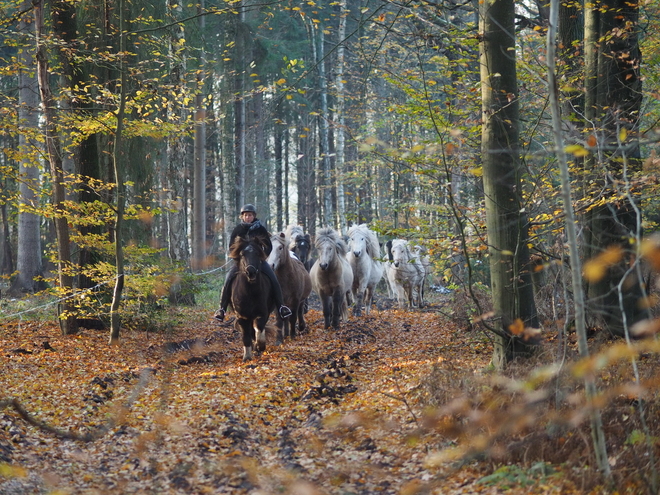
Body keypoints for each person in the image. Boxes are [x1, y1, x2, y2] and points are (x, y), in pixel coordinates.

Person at [214, 204, 292, 321]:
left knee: (273, 279)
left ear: (253, 216)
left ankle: (281, 307)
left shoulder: (260, 229)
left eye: (250, 215)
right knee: (228, 279)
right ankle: (222, 309)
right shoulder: (238, 229)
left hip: (258, 261)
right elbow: (231, 246)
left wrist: (261, 257)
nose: (247, 217)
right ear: (242, 216)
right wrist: (239, 258)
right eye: (245, 215)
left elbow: (268, 246)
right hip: (241, 262)